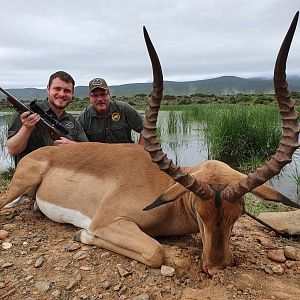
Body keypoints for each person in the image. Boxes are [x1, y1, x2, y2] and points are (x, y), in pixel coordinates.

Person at [7, 71, 88, 166]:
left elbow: (89, 149)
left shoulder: (72, 121)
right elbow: (13, 150)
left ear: (72, 94)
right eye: (57, 89)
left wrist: (72, 146)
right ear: (48, 89)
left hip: (61, 178)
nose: (62, 94)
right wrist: (27, 127)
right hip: (31, 177)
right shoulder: (27, 112)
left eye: (67, 91)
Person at [77, 77, 144, 145]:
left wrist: (140, 151)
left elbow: (146, 130)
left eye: (103, 94)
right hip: (98, 155)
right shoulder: (83, 118)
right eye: (95, 95)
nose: (99, 99)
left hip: (125, 154)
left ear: (108, 94)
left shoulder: (124, 109)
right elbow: (77, 143)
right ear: (90, 97)